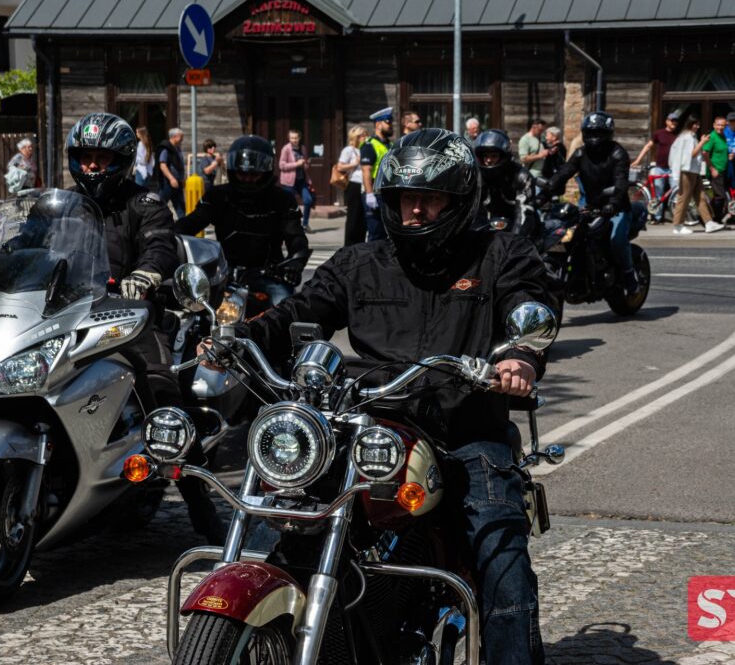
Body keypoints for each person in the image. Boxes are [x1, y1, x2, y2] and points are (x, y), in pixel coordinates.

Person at [203, 129, 553, 664]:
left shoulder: (500, 254)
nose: (415, 210)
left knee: (501, 556)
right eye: (404, 198)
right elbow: (301, 310)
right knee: (299, 517)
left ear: (459, 202)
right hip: (369, 426)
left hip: (465, 432)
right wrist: (240, 339)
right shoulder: (360, 262)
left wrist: (520, 358)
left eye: (429, 198)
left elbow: (528, 304)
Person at [65, 112, 225, 544]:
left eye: (102, 158)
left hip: (130, 319)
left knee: (163, 393)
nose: (93, 167)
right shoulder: (63, 207)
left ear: (120, 160)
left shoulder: (145, 203)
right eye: (86, 158)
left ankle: (199, 500)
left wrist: (147, 275)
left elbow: (161, 244)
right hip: (65, 317)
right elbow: (27, 247)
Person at [175, 135, 309, 306]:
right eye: (242, 174)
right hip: (224, 273)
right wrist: (166, 235)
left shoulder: (282, 200)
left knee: (285, 309)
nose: (247, 179)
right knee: (194, 314)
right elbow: (192, 222)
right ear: (233, 170)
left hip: (269, 274)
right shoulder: (218, 196)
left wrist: (294, 265)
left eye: (254, 175)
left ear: (266, 172)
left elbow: (295, 236)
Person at [545, 111, 639, 293]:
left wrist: (613, 204)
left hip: (617, 208)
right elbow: (564, 172)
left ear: (608, 134)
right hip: (589, 205)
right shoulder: (581, 153)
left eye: (598, 133)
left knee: (616, 241)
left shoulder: (618, 153)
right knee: (570, 235)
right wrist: (547, 189)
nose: (594, 138)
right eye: (590, 133)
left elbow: (621, 182)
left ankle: (629, 276)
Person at [669, 117, 724, 235]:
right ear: (690, 124)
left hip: (694, 171)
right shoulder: (688, 136)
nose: (697, 127)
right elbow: (692, 154)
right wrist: (702, 142)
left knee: (701, 196)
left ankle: (709, 223)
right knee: (684, 198)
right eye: (695, 124)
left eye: (698, 124)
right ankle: (678, 226)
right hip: (687, 171)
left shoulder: (690, 136)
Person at [474, 128, 534, 231]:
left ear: (503, 156)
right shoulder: (477, 175)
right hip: (490, 225)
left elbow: (524, 211)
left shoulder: (520, 175)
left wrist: (515, 240)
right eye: (486, 156)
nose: (489, 160)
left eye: (494, 156)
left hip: (517, 224)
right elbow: (472, 208)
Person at [631, 112, 680, 222]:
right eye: (672, 120)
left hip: (674, 168)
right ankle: (657, 217)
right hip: (659, 167)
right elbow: (648, 146)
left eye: (676, 121)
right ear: (667, 121)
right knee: (658, 193)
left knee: (676, 192)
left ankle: (677, 217)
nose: (674, 123)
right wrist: (638, 160)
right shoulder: (659, 133)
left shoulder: (678, 135)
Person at [360, 107, 394, 242]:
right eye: (388, 122)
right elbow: (366, 170)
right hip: (374, 192)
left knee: (386, 233)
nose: (391, 125)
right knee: (375, 232)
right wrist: (369, 194)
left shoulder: (389, 145)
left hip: (386, 192)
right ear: (378, 124)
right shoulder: (369, 145)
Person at [279, 129, 314, 230]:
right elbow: (281, 165)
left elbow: (305, 165)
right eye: (292, 138)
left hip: (301, 179)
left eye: (296, 138)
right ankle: (287, 224)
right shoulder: (286, 149)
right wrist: (296, 164)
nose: (294, 140)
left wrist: (306, 164)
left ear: (299, 138)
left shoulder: (302, 148)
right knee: (288, 204)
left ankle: (305, 223)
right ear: (289, 138)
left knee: (308, 200)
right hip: (289, 181)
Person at [339, 125, 368, 246]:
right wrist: (355, 163)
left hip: (364, 185)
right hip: (354, 185)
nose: (365, 137)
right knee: (353, 217)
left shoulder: (364, 148)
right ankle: (350, 245)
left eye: (366, 134)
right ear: (355, 137)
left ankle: (360, 244)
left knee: (362, 218)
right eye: (362, 135)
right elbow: (340, 166)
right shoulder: (349, 150)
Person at [701, 116, 730, 221]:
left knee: (720, 196)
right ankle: (714, 220)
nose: (720, 127)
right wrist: (712, 168)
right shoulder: (712, 137)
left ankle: (714, 219)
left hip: (722, 170)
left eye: (723, 125)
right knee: (719, 197)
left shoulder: (723, 136)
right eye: (718, 125)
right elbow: (705, 153)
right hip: (715, 171)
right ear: (714, 125)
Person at [156, 127, 186, 218]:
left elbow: (179, 165)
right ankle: (155, 224)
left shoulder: (177, 148)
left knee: (180, 207)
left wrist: (182, 178)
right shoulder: (166, 148)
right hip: (167, 183)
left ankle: (183, 229)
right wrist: (171, 178)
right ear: (174, 136)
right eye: (181, 136)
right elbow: (163, 165)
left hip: (177, 182)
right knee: (159, 206)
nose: (182, 139)